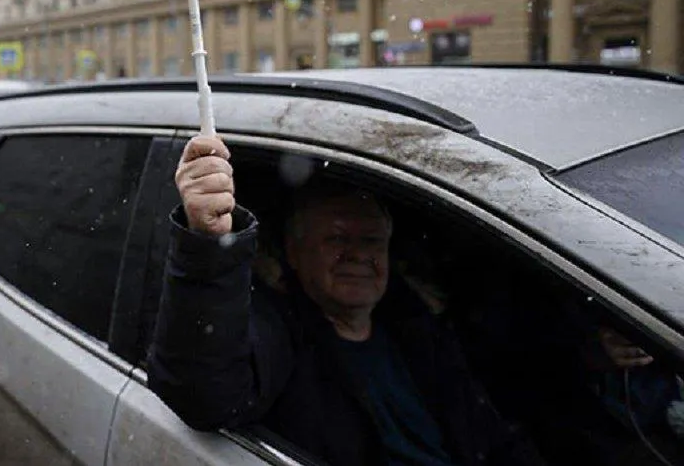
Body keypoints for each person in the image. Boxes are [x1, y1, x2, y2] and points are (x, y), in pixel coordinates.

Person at [148, 136, 545, 466]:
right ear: (295, 251)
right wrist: (207, 244)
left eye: (371, 241)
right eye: (336, 239)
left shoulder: (421, 333)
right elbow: (204, 393)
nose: (357, 255)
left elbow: (494, 441)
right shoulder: (280, 332)